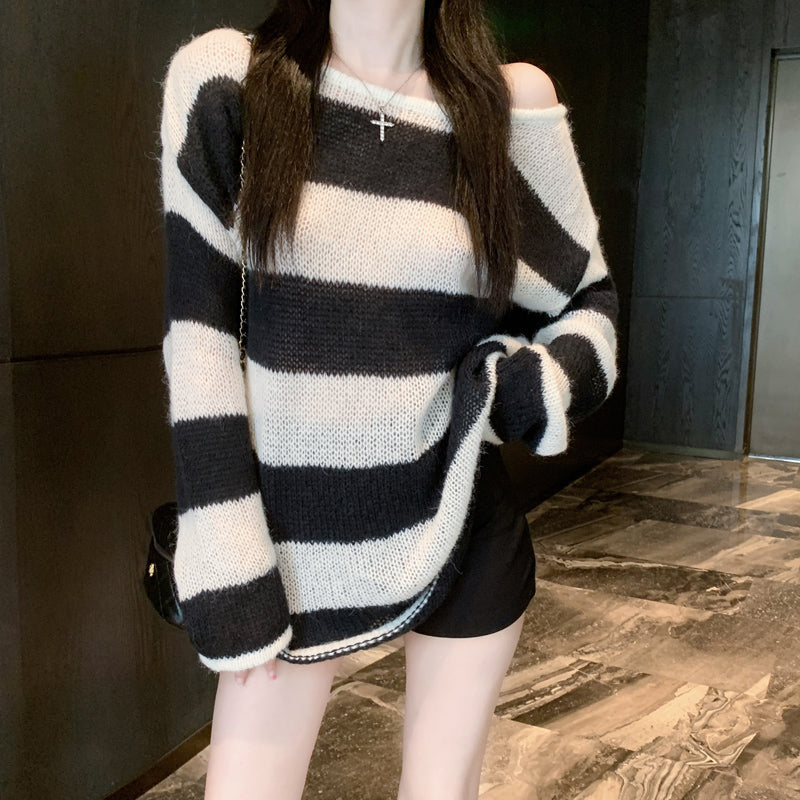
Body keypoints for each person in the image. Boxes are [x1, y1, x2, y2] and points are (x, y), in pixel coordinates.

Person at [157, 1, 619, 797]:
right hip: (291, 549)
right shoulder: (231, 80)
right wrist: (229, 561)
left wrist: (533, 384)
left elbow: (590, 301)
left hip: (460, 524)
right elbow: (199, 339)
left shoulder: (505, 108)